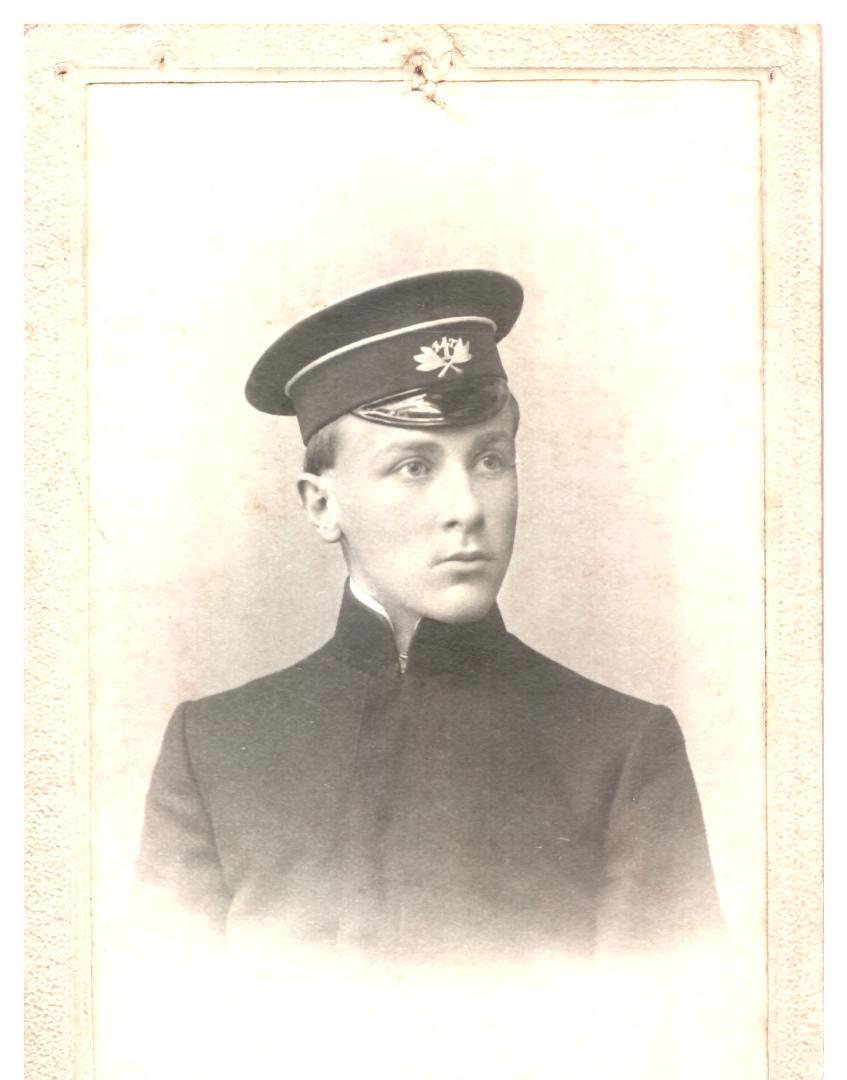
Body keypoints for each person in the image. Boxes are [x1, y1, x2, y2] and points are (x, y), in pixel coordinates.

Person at [135, 268, 723, 968]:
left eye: (490, 460)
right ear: (321, 505)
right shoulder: (214, 750)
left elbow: (671, 1045)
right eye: (414, 467)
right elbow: (167, 1039)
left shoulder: (620, 750)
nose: (467, 508)